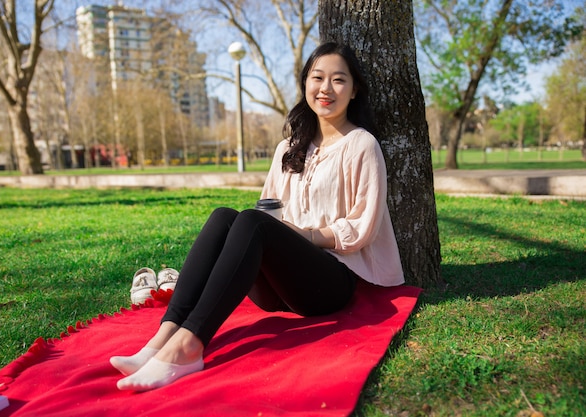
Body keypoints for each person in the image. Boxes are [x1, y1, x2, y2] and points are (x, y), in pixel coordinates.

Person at [110, 42, 404, 391]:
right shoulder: (288, 148)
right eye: (317, 77)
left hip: (329, 282)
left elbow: (362, 227)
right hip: (277, 287)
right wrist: (280, 233)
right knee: (225, 216)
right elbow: (269, 211)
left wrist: (304, 235)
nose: (326, 88)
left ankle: (188, 347)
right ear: (305, 84)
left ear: (354, 91)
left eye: (339, 80)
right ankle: (164, 336)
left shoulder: (361, 145)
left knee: (251, 221)